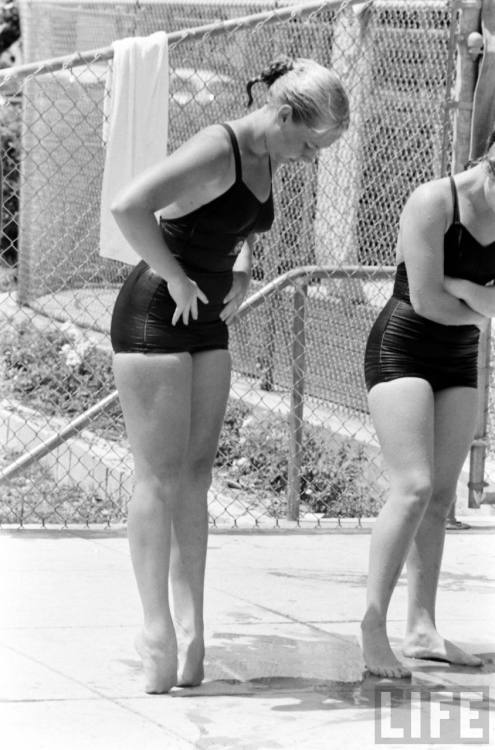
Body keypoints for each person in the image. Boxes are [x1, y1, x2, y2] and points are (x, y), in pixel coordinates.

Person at [109, 56, 349, 693]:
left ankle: (192, 633)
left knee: (194, 475)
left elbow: (231, 220)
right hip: (156, 314)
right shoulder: (217, 146)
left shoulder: (269, 154)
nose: (309, 157)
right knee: (158, 477)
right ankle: (156, 630)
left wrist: (240, 267)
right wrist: (179, 275)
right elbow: (130, 207)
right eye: (309, 142)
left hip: (207, 320)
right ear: (283, 113)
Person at [361, 131, 495, 678]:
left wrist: (459, 282)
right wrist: (483, 302)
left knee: (440, 498)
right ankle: (373, 626)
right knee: (413, 487)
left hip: (461, 356)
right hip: (404, 349)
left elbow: (449, 294)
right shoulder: (433, 202)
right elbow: (424, 300)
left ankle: (422, 628)